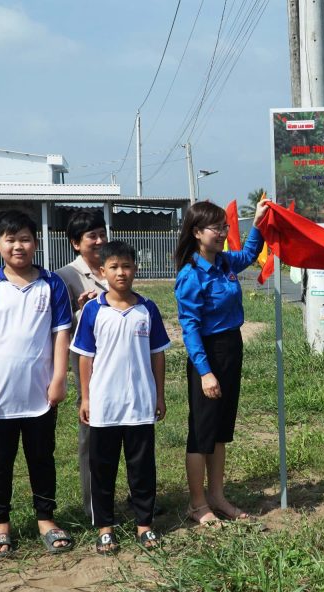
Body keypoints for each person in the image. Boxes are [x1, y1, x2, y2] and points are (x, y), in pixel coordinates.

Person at [0, 209, 75, 558]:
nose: (19, 246)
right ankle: (1, 524)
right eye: (11, 240)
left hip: (40, 394)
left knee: (42, 457)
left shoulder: (52, 284)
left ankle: (46, 518)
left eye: (25, 239)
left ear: (36, 243)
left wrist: (59, 379)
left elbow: (60, 336)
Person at [71, 241, 171, 554]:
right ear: (102, 272)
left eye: (126, 266)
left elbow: (157, 355)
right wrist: (86, 399)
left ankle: (144, 525)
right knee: (102, 468)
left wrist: (159, 395)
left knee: (142, 468)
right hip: (104, 406)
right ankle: (105, 528)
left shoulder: (147, 309)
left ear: (135, 269)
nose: (121, 272)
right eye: (113, 267)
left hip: (140, 405)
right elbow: (85, 358)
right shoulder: (93, 310)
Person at [174, 199, 268, 525]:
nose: (223, 233)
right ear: (197, 232)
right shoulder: (191, 275)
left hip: (232, 348)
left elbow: (251, 254)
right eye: (217, 228)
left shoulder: (226, 263)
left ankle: (216, 496)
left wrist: (256, 221)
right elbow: (190, 327)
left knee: (220, 431)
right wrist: (205, 372)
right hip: (209, 354)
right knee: (201, 433)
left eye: (225, 227)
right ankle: (197, 504)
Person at [55, 208, 108, 517]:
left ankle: (134, 495)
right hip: (88, 361)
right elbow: (62, 326)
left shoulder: (116, 264)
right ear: (76, 243)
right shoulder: (66, 277)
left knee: (128, 427)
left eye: (102, 233)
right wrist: (80, 310)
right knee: (91, 429)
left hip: (122, 357)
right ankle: (94, 505)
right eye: (92, 236)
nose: (99, 240)